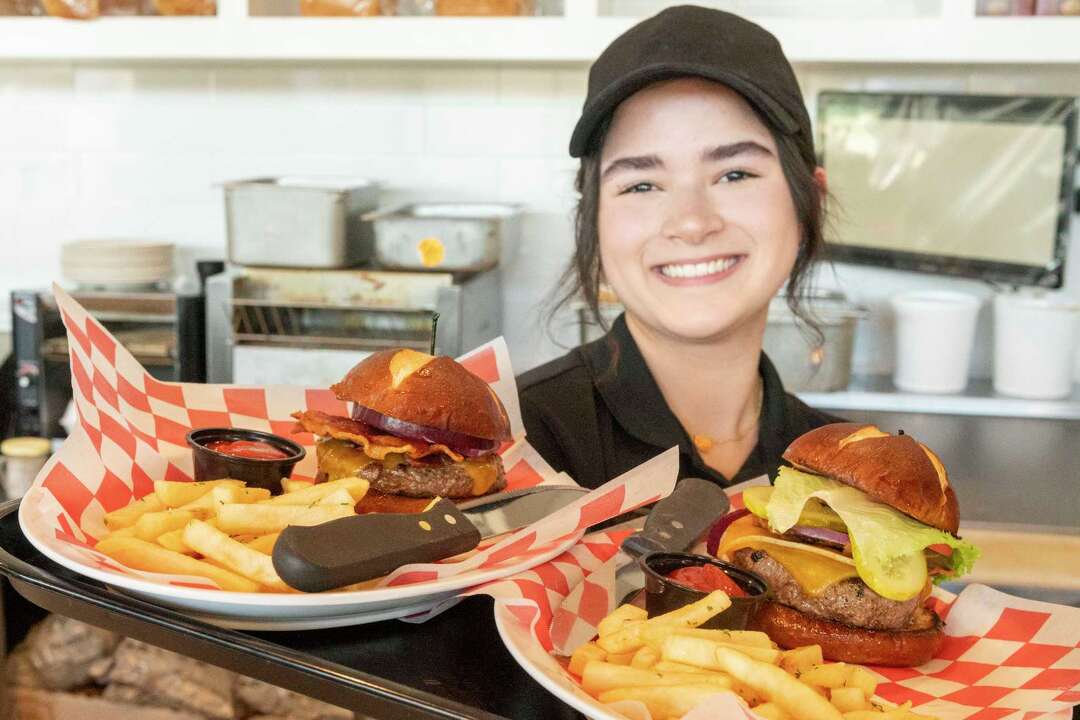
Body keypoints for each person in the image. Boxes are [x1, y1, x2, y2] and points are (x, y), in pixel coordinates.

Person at [518, 5, 843, 490]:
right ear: (593, 219)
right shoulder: (504, 447)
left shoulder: (846, 468)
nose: (691, 223)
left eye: (735, 174)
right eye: (642, 185)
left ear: (809, 202)